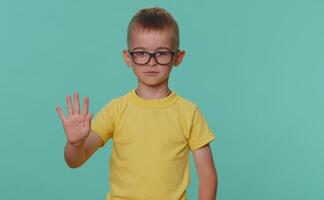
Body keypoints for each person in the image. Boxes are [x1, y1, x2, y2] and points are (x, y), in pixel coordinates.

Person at [56, 7, 217, 200]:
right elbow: (75, 161)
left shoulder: (189, 113)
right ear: (128, 58)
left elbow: (207, 175)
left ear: (178, 57)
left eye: (162, 53)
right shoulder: (115, 110)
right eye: (141, 53)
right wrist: (74, 144)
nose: (151, 62)